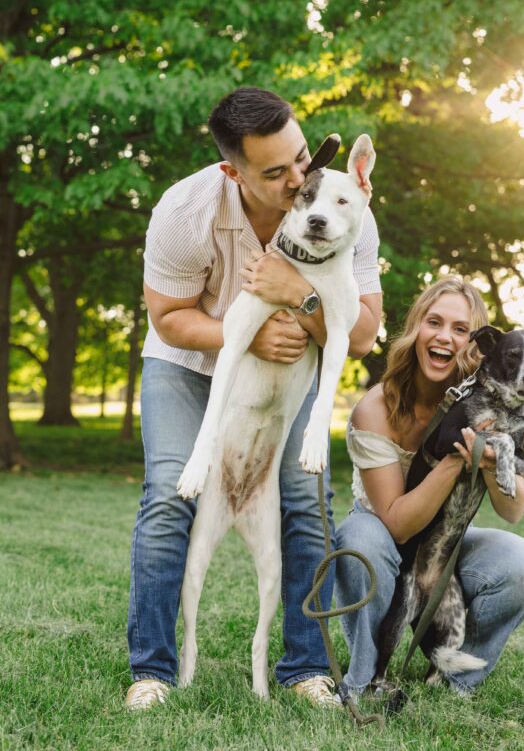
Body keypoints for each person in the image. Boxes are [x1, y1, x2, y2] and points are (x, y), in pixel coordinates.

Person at [125, 87, 382, 710]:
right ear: (231, 171)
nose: (299, 179)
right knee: (168, 492)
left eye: (300, 157)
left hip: (286, 377)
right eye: (276, 172)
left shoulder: (344, 206)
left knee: (303, 495)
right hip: (190, 361)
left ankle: (305, 668)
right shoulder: (184, 212)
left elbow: (366, 333)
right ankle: (152, 671)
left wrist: (299, 293)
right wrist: (249, 336)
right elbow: (166, 318)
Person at [335, 276, 524, 699]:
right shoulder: (376, 406)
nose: (446, 338)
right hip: (386, 532)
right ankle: (364, 679)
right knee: (362, 539)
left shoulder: (488, 398)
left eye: (460, 329)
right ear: (417, 327)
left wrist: (492, 463)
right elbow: (396, 525)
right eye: (435, 322)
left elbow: (510, 511)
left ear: (479, 345)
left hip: (445, 536)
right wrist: (458, 458)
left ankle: (454, 678)